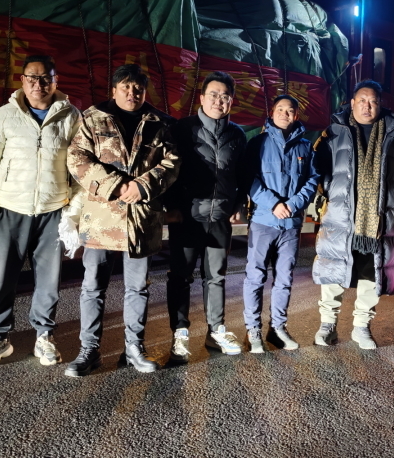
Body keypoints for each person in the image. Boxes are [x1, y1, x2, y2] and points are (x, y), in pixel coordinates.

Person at [64, 64, 180, 376]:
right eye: (125, 87)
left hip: (141, 219)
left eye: (138, 88)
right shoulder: (92, 118)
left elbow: (172, 162)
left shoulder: (160, 122)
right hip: (101, 219)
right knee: (93, 287)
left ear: (145, 91)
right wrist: (116, 185)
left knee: (137, 288)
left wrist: (143, 185)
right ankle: (89, 350)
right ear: (114, 90)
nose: (132, 93)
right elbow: (77, 158)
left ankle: (133, 349)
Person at [0, 55, 81, 368]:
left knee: (48, 281)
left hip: (52, 211)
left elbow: (80, 167)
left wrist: (71, 211)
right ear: (22, 80)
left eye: (46, 78)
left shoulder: (71, 116)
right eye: (32, 77)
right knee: (1, 279)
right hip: (9, 210)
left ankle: (44, 336)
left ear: (55, 81)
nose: (39, 84)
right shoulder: (5, 115)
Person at [312, 80, 394, 350]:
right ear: (352, 103)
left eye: (373, 101)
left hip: (378, 218)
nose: (367, 106)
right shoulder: (335, 130)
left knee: (372, 272)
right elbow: (318, 164)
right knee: (334, 268)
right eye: (362, 101)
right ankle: (327, 325)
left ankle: (361, 326)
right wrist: (329, 191)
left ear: (380, 104)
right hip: (341, 215)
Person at [164, 72, 248, 361]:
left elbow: (243, 175)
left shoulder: (237, 135)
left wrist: (237, 205)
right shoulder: (183, 129)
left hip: (220, 218)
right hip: (187, 216)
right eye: (213, 94)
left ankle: (216, 331)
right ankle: (180, 333)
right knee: (181, 276)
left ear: (231, 101)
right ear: (201, 98)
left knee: (216, 277)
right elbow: (169, 170)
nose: (218, 101)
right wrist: (171, 206)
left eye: (225, 96)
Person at [243, 95, 319, 352]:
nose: (285, 114)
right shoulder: (258, 143)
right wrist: (274, 204)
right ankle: (253, 329)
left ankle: (277, 328)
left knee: (284, 279)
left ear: (296, 115)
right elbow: (249, 179)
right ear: (272, 113)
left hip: (291, 225)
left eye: (290, 110)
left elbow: (312, 180)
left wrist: (293, 205)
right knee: (255, 277)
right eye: (280, 109)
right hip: (263, 221)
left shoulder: (306, 147)